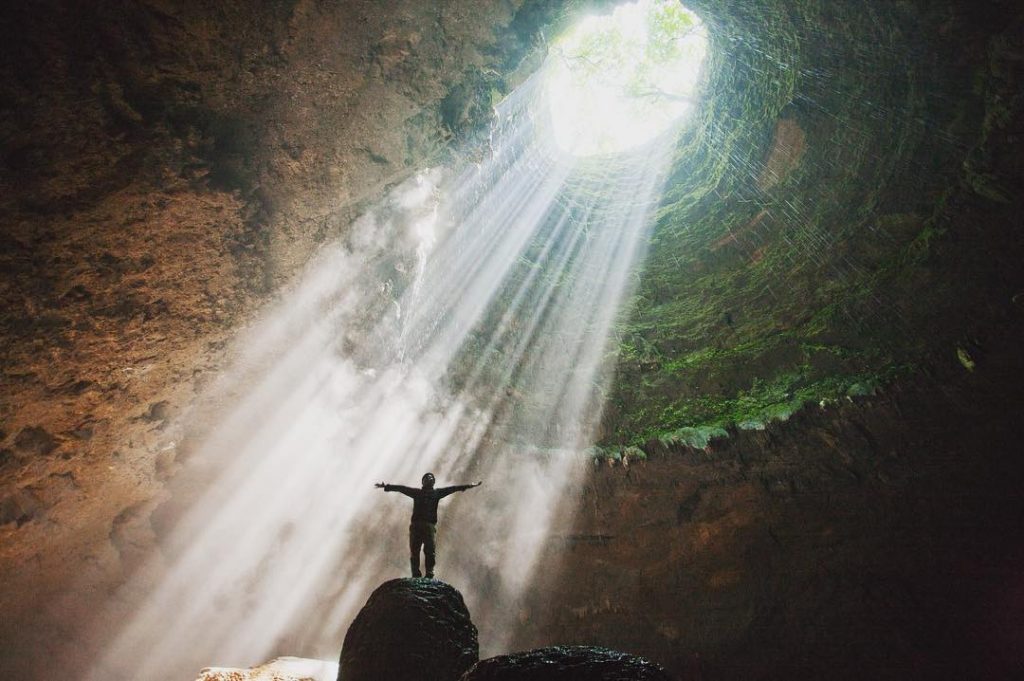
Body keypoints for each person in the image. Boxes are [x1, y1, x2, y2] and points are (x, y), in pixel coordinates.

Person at [375, 473, 481, 578]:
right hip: (416, 526)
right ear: (423, 482)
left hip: (429, 526)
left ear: (433, 482)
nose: (429, 479)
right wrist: (386, 486)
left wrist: (468, 486)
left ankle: (429, 572)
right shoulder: (417, 493)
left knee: (430, 550)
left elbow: (453, 489)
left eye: (431, 478)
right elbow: (402, 489)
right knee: (415, 550)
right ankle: (416, 573)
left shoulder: (437, 493)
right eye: (427, 478)